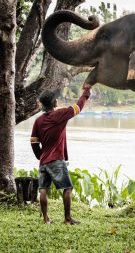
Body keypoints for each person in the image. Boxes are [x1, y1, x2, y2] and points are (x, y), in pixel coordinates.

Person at [30, 85, 91, 225]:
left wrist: (40, 156)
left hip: (44, 162)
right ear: (53, 103)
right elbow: (78, 107)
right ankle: (68, 218)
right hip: (56, 159)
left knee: (43, 190)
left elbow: (33, 141)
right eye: (56, 99)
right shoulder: (60, 115)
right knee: (67, 188)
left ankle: (46, 219)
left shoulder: (38, 121)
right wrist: (86, 92)